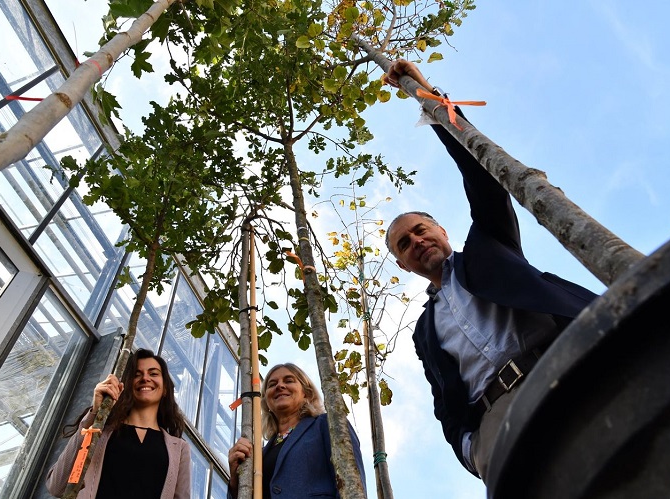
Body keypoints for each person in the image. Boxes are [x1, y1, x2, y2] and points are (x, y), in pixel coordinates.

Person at [383, 60, 598, 483]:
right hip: (497, 426)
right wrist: (470, 449)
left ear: (441, 230)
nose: (417, 242)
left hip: (567, 365)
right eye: (404, 244)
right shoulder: (425, 331)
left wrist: (429, 95)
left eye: (420, 230)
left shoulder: (488, 246)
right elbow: (444, 400)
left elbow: (481, 174)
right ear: (402, 263)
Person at [46, 349, 191, 498]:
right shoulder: (100, 432)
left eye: (153, 373)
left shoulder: (179, 449)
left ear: (165, 388)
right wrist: (96, 413)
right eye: (137, 374)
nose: (145, 378)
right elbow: (57, 487)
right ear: (127, 385)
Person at [227, 363, 366, 499]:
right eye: (272, 384)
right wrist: (235, 480)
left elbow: (352, 483)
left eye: (288, 381)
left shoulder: (326, 424)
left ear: (307, 393)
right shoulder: (259, 455)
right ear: (266, 401)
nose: (280, 386)